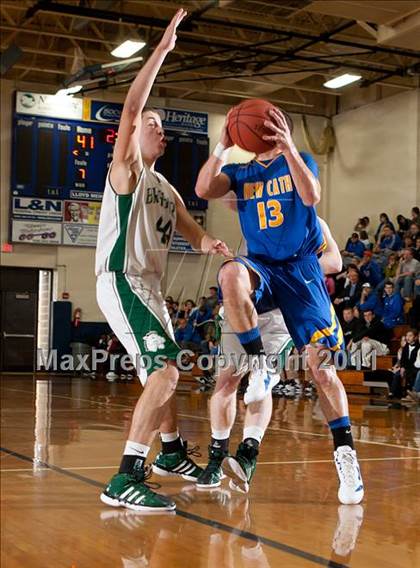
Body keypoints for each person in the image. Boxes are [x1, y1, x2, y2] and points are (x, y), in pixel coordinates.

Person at [95, 9, 230, 512]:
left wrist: (212, 246)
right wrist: (163, 51)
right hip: (122, 279)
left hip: (147, 287)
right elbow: (132, 107)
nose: (159, 129)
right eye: (153, 124)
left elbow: (192, 233)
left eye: (161, 126)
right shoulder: (126, 170)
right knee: (168, 372)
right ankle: (125, 475)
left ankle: (170, 452)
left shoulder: (165, 187)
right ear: (131, 137)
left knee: (167, 370)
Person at [196, 106, 364, 504]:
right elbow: (204, 189)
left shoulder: (300, 161)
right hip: (263, 268)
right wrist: (223, 144)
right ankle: (260, 366)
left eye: (274, 125)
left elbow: (312, 195)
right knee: (229, 275)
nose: (266, 130)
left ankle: (346, 455)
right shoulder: (241, 174)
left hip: (301, 270)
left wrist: (288, 145)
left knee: (322, 371)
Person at [197, 211, 342, 492]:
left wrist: (289, 271)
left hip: (280, 311)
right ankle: (217, 457)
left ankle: (248, 452)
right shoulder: (255, 214)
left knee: (262, 383)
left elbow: (335, 261)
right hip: (246, 305)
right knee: (227, 380)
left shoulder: (312, 220)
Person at [388, 330, 419, 399]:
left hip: (413, 368)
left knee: (411, 374)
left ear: (416, 337)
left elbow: (414, 362)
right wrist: (402, 367)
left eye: (410, 336)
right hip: (405, 367)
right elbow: (403, 359)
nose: (408, 338)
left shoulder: (418, 347)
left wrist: (405, 368)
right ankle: (393, 392)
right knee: (396, 374)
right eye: (407, 336)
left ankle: (410, 393)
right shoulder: (406, 347)